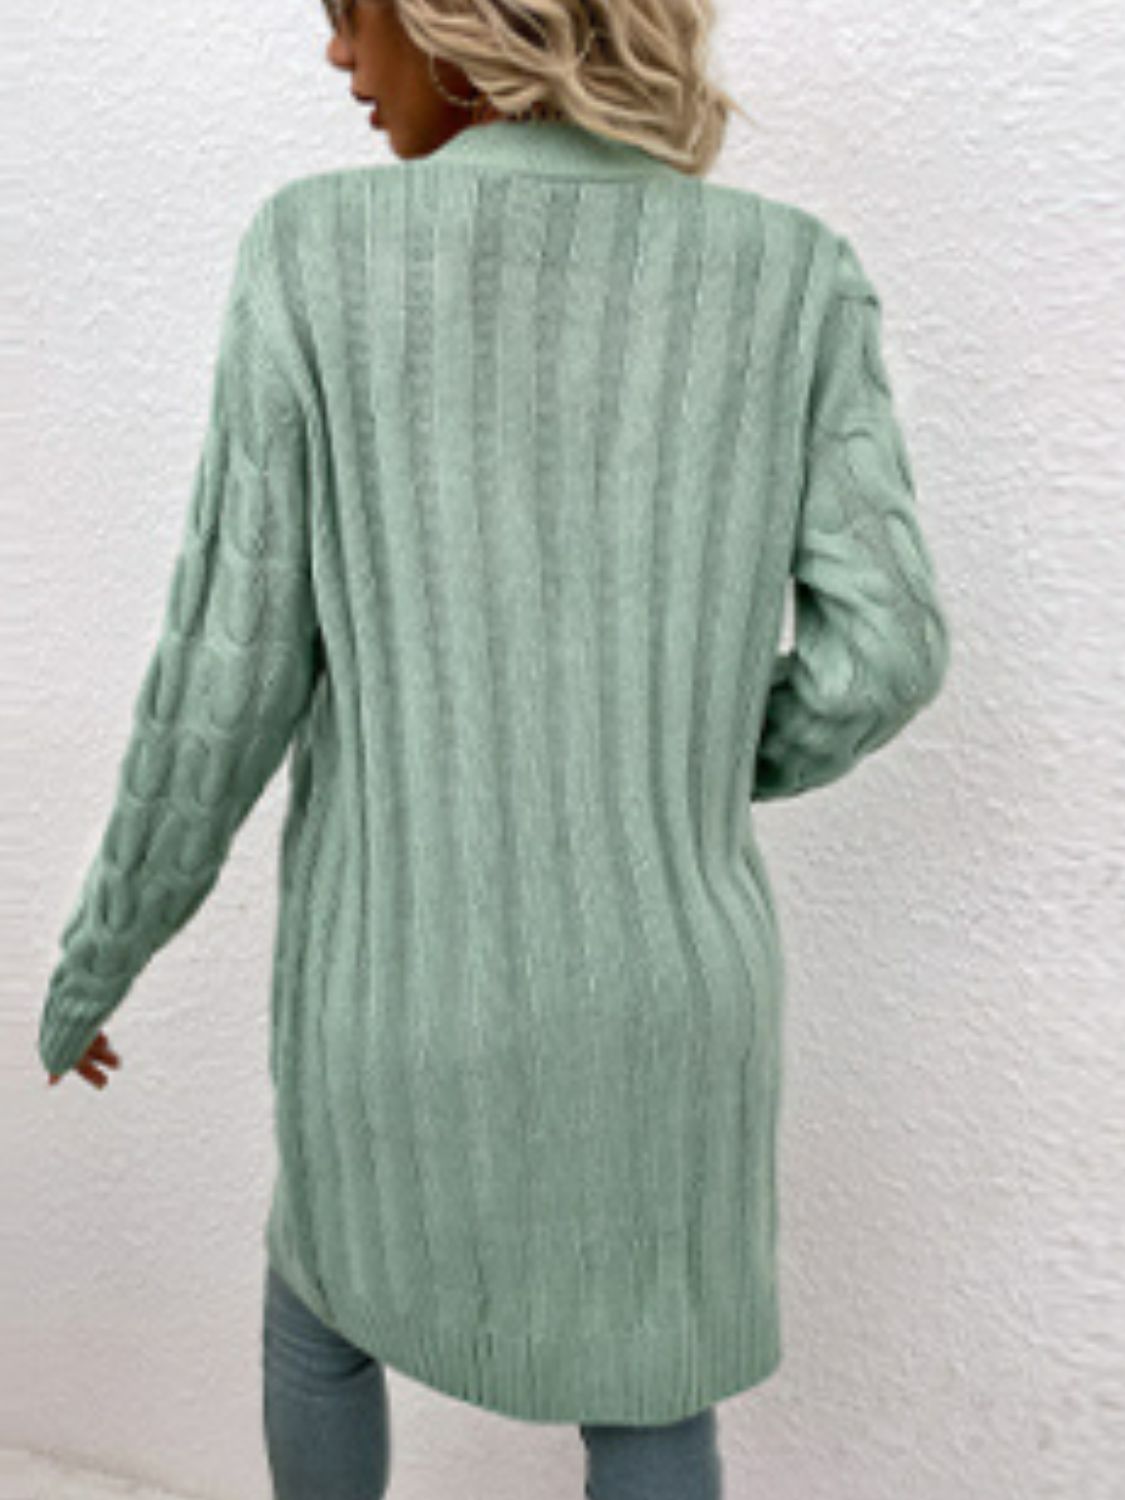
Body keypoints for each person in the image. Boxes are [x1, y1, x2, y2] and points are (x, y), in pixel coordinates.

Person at [37, 2, 952, 1496]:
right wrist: (681, 751)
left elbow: (224, 682)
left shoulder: (313, 254)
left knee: (321, 1319)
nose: (339, 57)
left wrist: (97, 960)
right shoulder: (795, 275)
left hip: (392, 998)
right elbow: (890, 648)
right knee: (652, 1400)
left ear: (450, 14)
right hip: (669, 1009)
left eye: (351, 13)